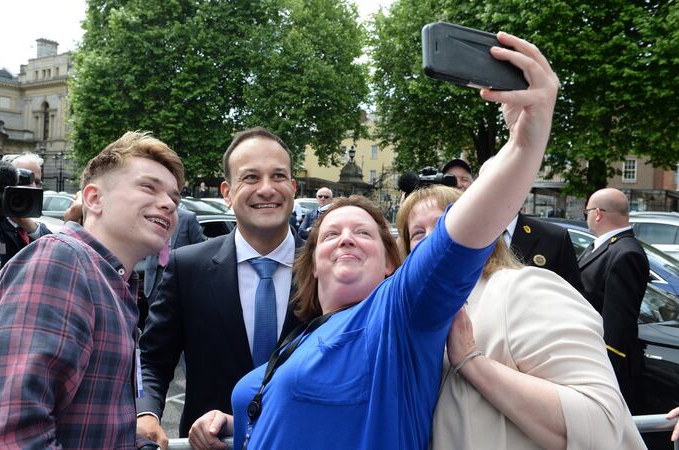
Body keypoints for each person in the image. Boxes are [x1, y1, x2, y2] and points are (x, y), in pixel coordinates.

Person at [189, 31, 562, 450]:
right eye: (331, 233)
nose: (346, 238)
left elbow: (463, 233)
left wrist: (526, 139)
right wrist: (234, 423)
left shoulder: (395, 319)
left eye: (364, 232)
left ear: (391, 263)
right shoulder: (298, 340)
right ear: (310, 262)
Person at [0, 131, 184, 448]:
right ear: (93, 198)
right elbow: (12, 439)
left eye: (175, 198)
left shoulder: (112, 282)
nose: (168, 203)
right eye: (148, 187)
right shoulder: (61, 263)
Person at [396, 185, 642, 449]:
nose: (433, 238)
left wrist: (470, 360)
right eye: (418, 233)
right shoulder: (412, 318)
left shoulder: (523, 287)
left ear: (483, 231)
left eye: (446, 224)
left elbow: (602, 425)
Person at [137, 127, 304, 448]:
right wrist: (146, 413)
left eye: (279, 176)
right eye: (251, 178)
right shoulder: (187, 267)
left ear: (293, 188)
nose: (267, 189)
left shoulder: (326, 268)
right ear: (227, 193)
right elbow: (152, 361)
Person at [578, 188, 649, 412]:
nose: (587, 216)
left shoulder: (626, 253)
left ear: (597, 213)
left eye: (587, 211)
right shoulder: (603, 246)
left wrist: (602, 371)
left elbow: (617, 324)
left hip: (604, 367)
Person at [478, 158, 585, 293]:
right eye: (491, 182)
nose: (500, 189)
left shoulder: (553, 238)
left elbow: (574, 296)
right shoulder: (465, 235)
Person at [0, 152, 52, 265]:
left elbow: (54, 249)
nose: (32, 187)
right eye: (22, 179)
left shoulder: (35, 228)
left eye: (37, 182)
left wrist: (24, 221)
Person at [139, 205, 205, 326]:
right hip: (155, 275)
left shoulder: (187, 218)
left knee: (175, 319)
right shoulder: (151, 215)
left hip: (178, 275)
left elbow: (199, 249)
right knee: (153, 320)